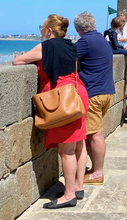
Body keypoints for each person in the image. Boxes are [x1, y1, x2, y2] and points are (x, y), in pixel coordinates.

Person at [13, 14, 89, 209]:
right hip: (77, 92)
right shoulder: (71, 45)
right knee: (78, 143)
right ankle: (78, 187)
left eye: (42, 27)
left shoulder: (44, 47)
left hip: (62, 98)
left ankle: (69, 194)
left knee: (67, 151)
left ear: (48, 30)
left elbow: (17, 62)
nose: (40, 31)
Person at [74, 12, 115, 185]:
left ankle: (97, 172)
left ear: (78, 28)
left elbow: (67, 56)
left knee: (95, 134)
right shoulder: (100, 39)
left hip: (94, 94)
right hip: (106, 91)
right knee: (92, 133)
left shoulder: (85, 41)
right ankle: (94, 170)